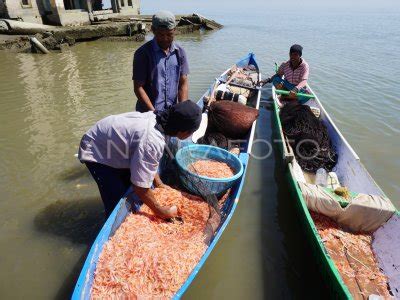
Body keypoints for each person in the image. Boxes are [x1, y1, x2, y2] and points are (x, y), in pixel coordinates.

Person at [78, 100, 202, 218]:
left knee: (130, 186)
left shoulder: (163, 121)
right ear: (183, 131)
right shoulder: (152, 139)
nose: (190, 135)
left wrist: (159, 183)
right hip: (95, 150)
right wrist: (160, 211)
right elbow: (140, 187)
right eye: (192, 131)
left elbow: (148, 162)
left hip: (114, 144)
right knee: (116, 198)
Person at [133, 11, 189, 112]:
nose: (165, 38)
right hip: (147, 114)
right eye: (160, 34)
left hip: (171, 111)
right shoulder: (142, 54)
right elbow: (138, 88)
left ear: (175, 30)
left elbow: (183, 83)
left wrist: (182, 110)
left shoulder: (180, 52)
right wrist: (153, 113)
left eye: (169, 34)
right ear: (153, 30)